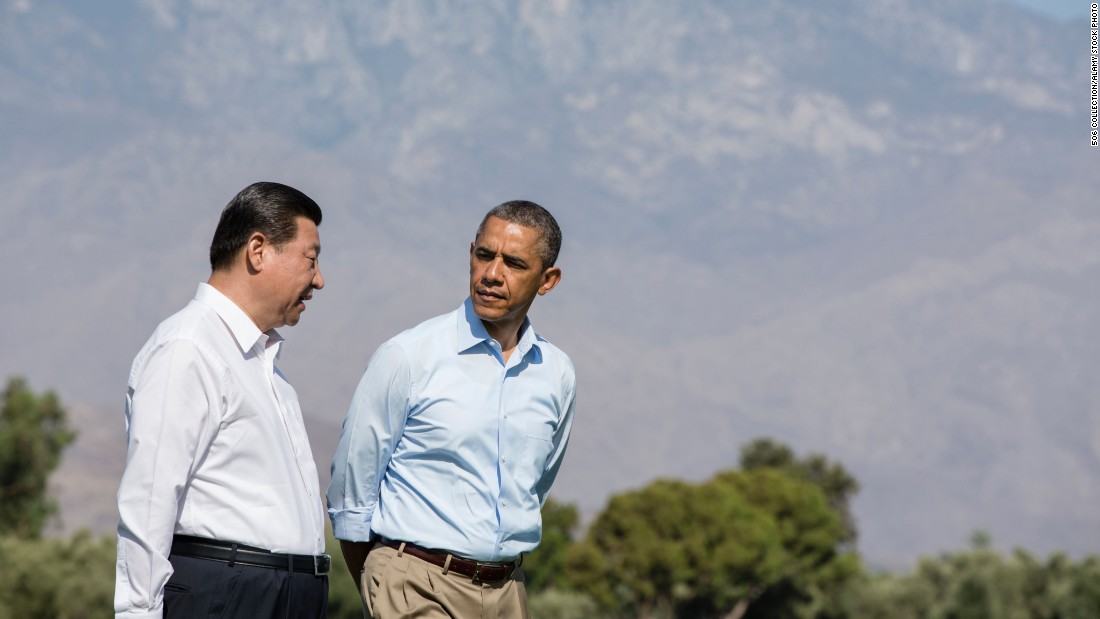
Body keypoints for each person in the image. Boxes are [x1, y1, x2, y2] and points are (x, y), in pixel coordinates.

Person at [327, 200, 576, 618]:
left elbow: (535, 490)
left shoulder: (556, 373)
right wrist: (382, 584)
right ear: (471, 253)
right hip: (414, 584)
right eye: (484, 255)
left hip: (508, 593)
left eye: (513, 263)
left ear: (547, 280)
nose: (492, 275)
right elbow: (352, 493)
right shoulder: (408, 356)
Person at [114, 182, 331, 619]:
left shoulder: (263, 362)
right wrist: (138, 612)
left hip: (284, 596)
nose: (319, 280)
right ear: (258, 249)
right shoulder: (188, 348)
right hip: (228, 595)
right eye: (311, 258)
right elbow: (150, 499)